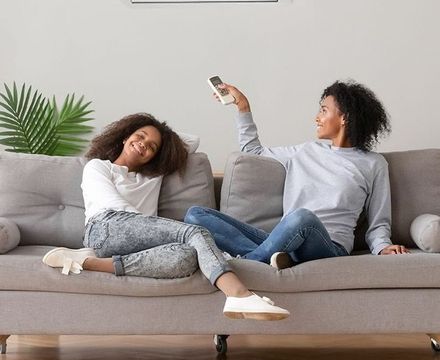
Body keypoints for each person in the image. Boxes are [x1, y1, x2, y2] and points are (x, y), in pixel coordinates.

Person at [42, 113, 289, 321]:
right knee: (193, 233)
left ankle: (87, 263)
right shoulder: (99, 167)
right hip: (105, 228)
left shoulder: (152, 176)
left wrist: (163, 139)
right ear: (125, 135)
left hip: (137, 243)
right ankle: (239, 295)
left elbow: (191, 142)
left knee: (187, 256)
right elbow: (113, 206)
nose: (144, 145)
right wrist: (156, 229)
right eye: (139, 136)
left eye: (152, 147)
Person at [185, 80, 410, 270]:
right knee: (196, 215)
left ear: (345, 118)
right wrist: (243, 107)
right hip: (286, 239)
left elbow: (379, 219)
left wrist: (382, 246)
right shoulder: (305, 151)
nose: (317, 117)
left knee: (302, 217)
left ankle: (251, 264)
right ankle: (271, 257)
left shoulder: (373, 164)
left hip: (328, 246)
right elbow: (253, 152)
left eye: (324, 110)